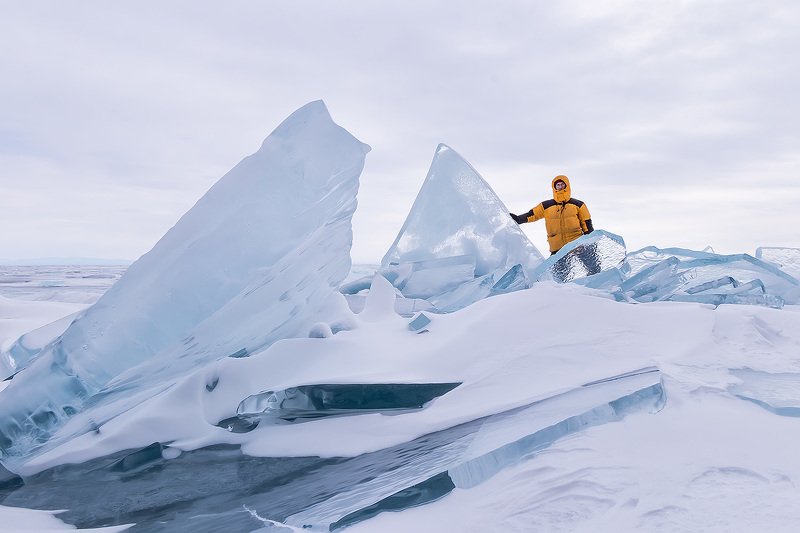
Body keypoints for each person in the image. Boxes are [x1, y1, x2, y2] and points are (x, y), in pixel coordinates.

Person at [510, 175, 599, 277]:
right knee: (558, 278)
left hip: (577, 244)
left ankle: (598, 282)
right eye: (558, 185)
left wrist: (590, 240)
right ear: (554, 187)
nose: (560, 187)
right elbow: (532, 215)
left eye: (562, 184)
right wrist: (518, 219)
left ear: (567, 186)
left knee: (594, 269)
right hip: (557, 248)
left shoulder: (578, 204)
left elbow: (586, 223)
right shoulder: (546, 205)